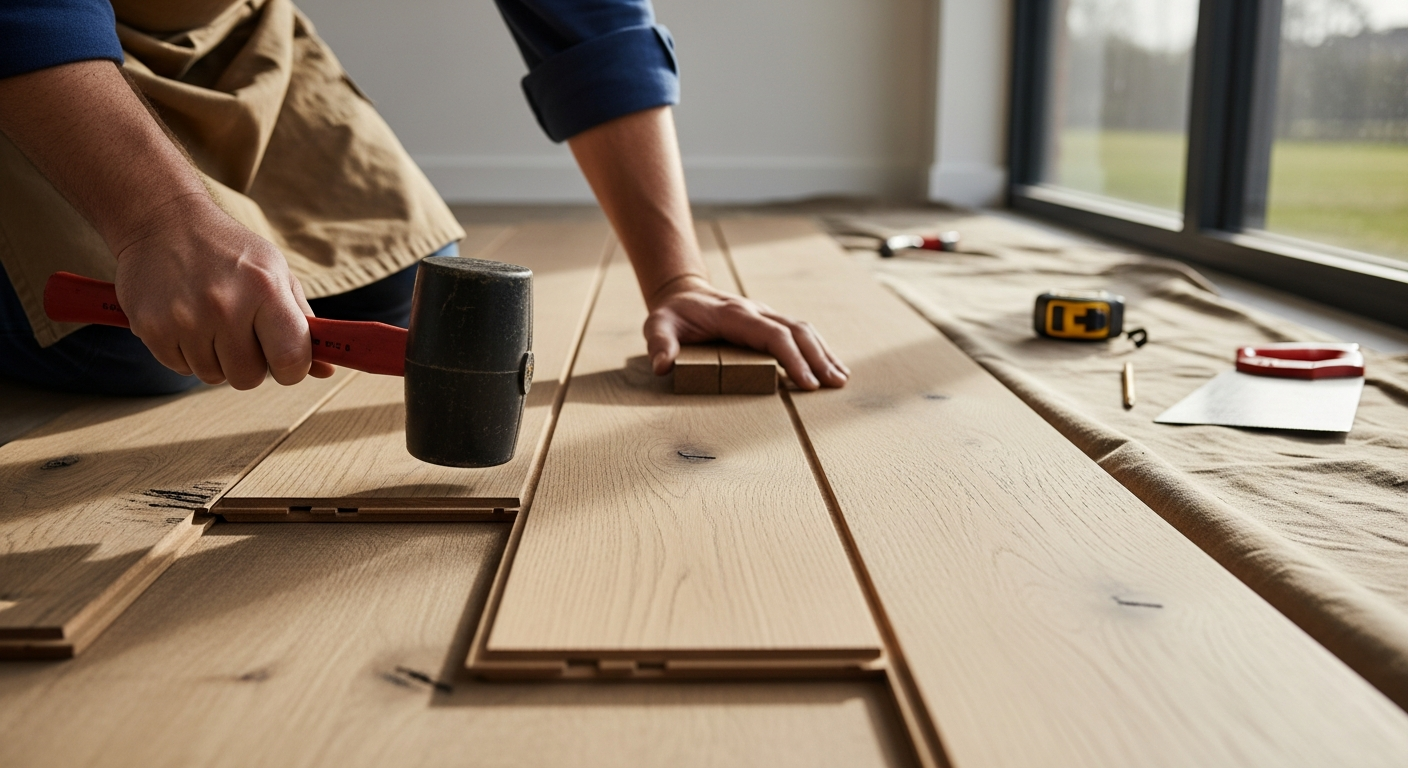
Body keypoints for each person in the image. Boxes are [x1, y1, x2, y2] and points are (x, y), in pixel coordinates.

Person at [0, 0, 848, 397]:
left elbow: (590, 20)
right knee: (138, 351)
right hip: (47, 50)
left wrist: (676, 280)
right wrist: (160, 223)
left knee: (406, 294)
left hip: (234, 34)